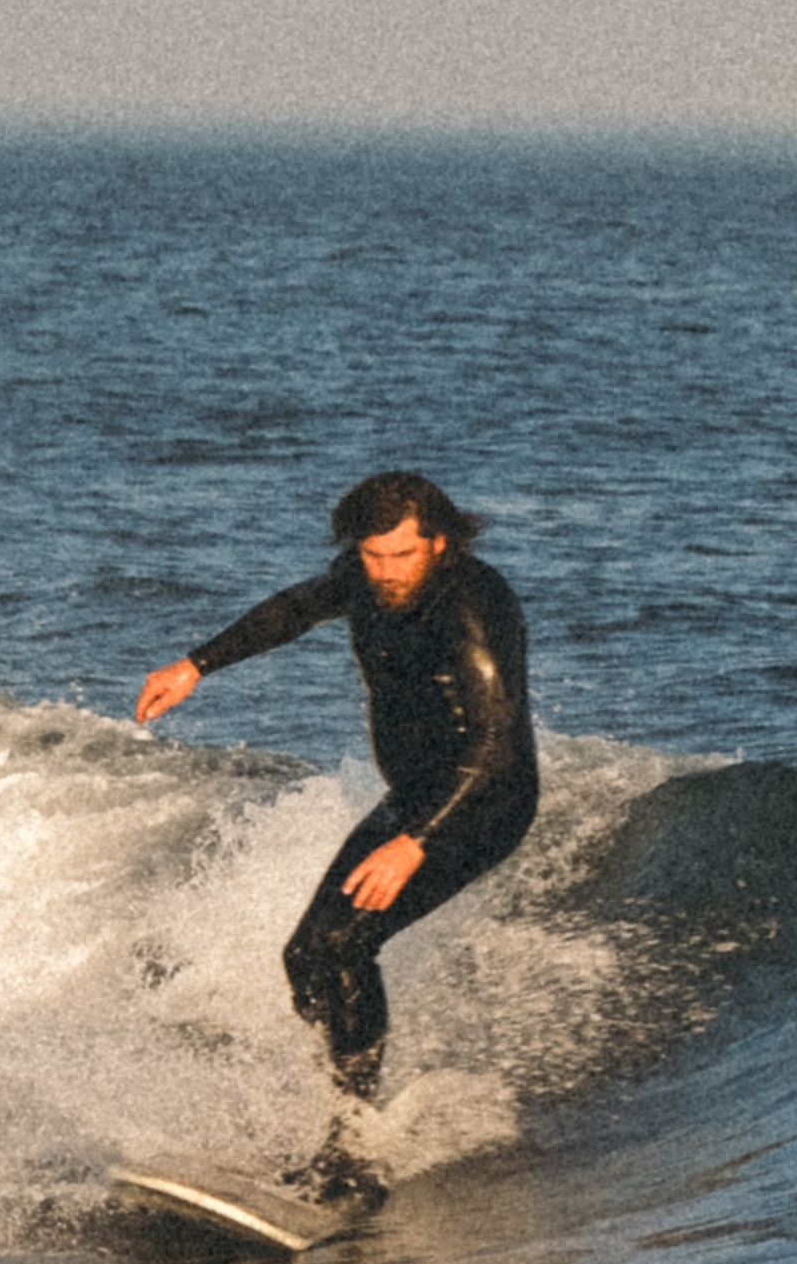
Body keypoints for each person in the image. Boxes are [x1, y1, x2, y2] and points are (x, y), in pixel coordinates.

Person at [136, 473, 538, 1150]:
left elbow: (494, 744)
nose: (385, 572)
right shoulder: (365, 578)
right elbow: (293, 610)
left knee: (346, 945)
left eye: (402, 556)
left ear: (440, 544)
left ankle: (351, 1142)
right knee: (305, 957)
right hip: (414, 800)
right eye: (372, 556)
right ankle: (340, 1091)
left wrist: (415, 841)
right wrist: (196, 665)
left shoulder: (475, 608)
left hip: (481, 805)